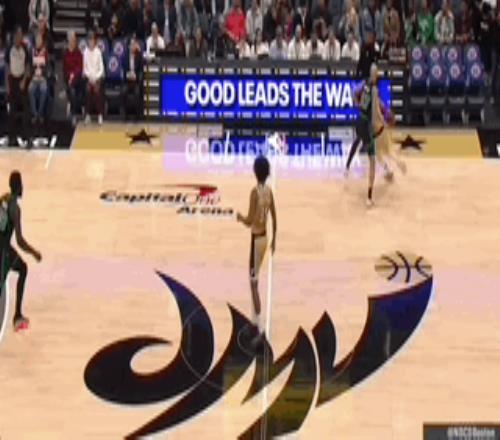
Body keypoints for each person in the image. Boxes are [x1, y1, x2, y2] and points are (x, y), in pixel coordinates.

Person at [236, 156, 277, 346]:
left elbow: (250, 220)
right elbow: (274, 217)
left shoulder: (254, 192)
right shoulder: (269, 191)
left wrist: (240, 218)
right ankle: (255, 323)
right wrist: (274, 240)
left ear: (255, 172)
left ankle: (258, 329)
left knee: (253, 284)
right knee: (255, 280)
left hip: (256, 240)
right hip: (265, 238)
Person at [0, 171, 42, 332]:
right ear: (18, 187)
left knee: (22, 268)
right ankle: (17, 316)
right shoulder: (15, 209)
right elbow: (20, 241)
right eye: (21, 184)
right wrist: (34, 252)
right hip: (3, 250)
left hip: (4, 246)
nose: (23, 187)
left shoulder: (3, 198)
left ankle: (17, 315)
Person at [344, 64, 379, 207]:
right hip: (367, 124)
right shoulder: (374, 89)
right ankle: (369, 197)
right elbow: (374, 112)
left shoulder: (364, 83)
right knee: (372, 161)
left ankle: (347, 166)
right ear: (375, 74)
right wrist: (377, 126)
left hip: (359, 120)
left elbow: (354, 91)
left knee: (357, 140)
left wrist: (357, 103)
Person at [7, 27, 30, 135]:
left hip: (22, 79)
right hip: (12, 80)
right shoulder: (9, 48)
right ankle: (12, 133)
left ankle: (27, 133)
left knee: (26, 106)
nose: (21, 38)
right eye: (19, 35)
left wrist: (24, 80)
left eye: (21, 35)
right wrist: (7, 83)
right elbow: (7, 66)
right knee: (12, 107)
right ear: (15, 36)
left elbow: (28, 66)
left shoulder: (25, 48)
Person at [83, 31, 104, 125]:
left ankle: (100, 115)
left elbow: (101, 69)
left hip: (97, 78)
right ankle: (87, 115)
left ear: (95, 41)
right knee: (88, 90)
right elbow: (85, 68)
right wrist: (90, 77)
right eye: (89, 40)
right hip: (89, 78)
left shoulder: (98, 52)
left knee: (96, 91)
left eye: (92, 40)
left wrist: (96, 78)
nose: (91, 42)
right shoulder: (85, 52)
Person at [64, 31, 84, 126]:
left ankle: (79, 111)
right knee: (71, 91)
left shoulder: (78, 53)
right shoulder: (65, 53)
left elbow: (79, 68)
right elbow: (64, 70)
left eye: (74, 41)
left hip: (78, 79)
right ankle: (74, 115)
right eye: (71, 41)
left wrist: (73, 76)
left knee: (79, 88)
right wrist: (69, 76)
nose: (72, 43)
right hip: (69, 80)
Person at [28, 32, 49, 125]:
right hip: (33, 77)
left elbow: (47, 67)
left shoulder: (45, 52)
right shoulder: (31, 51)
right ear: (35, 41)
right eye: (37, 40)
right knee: (30, 89)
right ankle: (34, 114)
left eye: (40, 40)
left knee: (44, 90)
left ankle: (40, 114)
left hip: (42, 78)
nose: (39, 41)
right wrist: (33, 74)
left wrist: (42, 74)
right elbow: (29, 66)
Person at [123, 37, 143, 120]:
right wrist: (127, 75)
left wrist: (136, 76)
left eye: (134, 44)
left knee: (137, 92)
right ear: (128, 46)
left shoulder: (139, 56)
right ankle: (126, 115)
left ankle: (137, 116)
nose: (133, 46)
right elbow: (123, 69)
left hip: (136, 81)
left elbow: (141, 70)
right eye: (131, 44)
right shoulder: (125, 56)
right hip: (127, 81)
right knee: (123, 91)